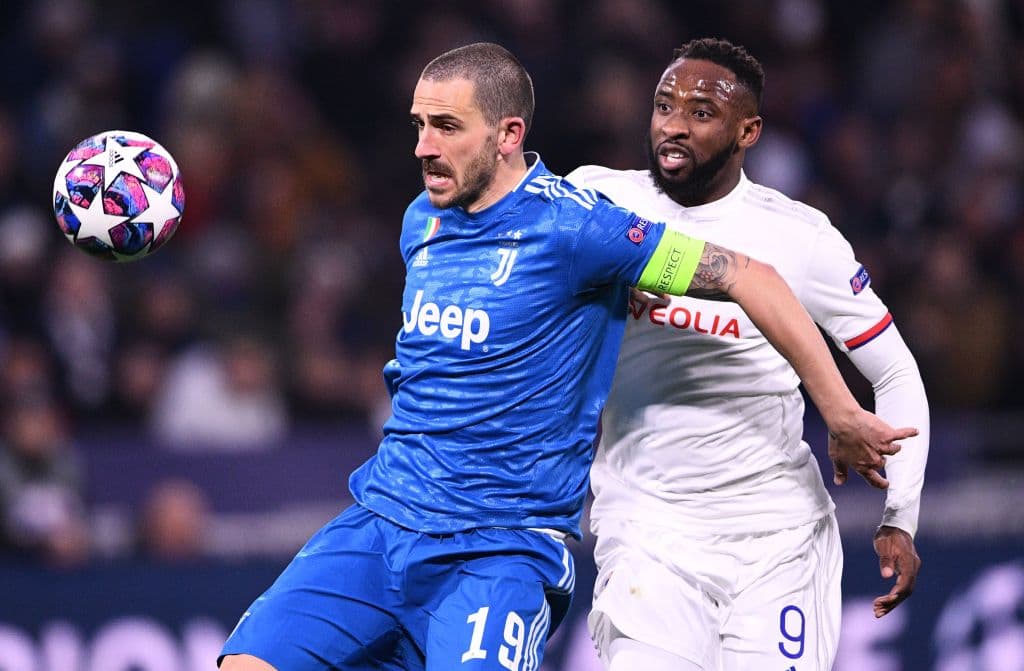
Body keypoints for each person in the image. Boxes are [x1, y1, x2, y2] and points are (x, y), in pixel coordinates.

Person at [219, 42, 915, 671]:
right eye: (419, 125)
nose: (424, 147)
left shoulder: (580, 226)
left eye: (447, 127)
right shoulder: (420, 221)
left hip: (498, 549)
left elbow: (749, 276)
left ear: (508, 135)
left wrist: (840, 412)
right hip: (383, 520)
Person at [565, 37, 930, 671]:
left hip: (779, 543)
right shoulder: (600, 203)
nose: (674, 126)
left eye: (701, 113)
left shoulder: (799, 238)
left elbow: (895, 371)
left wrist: (900, 514)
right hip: (649, 534)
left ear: (748, 131)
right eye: (663, 106)